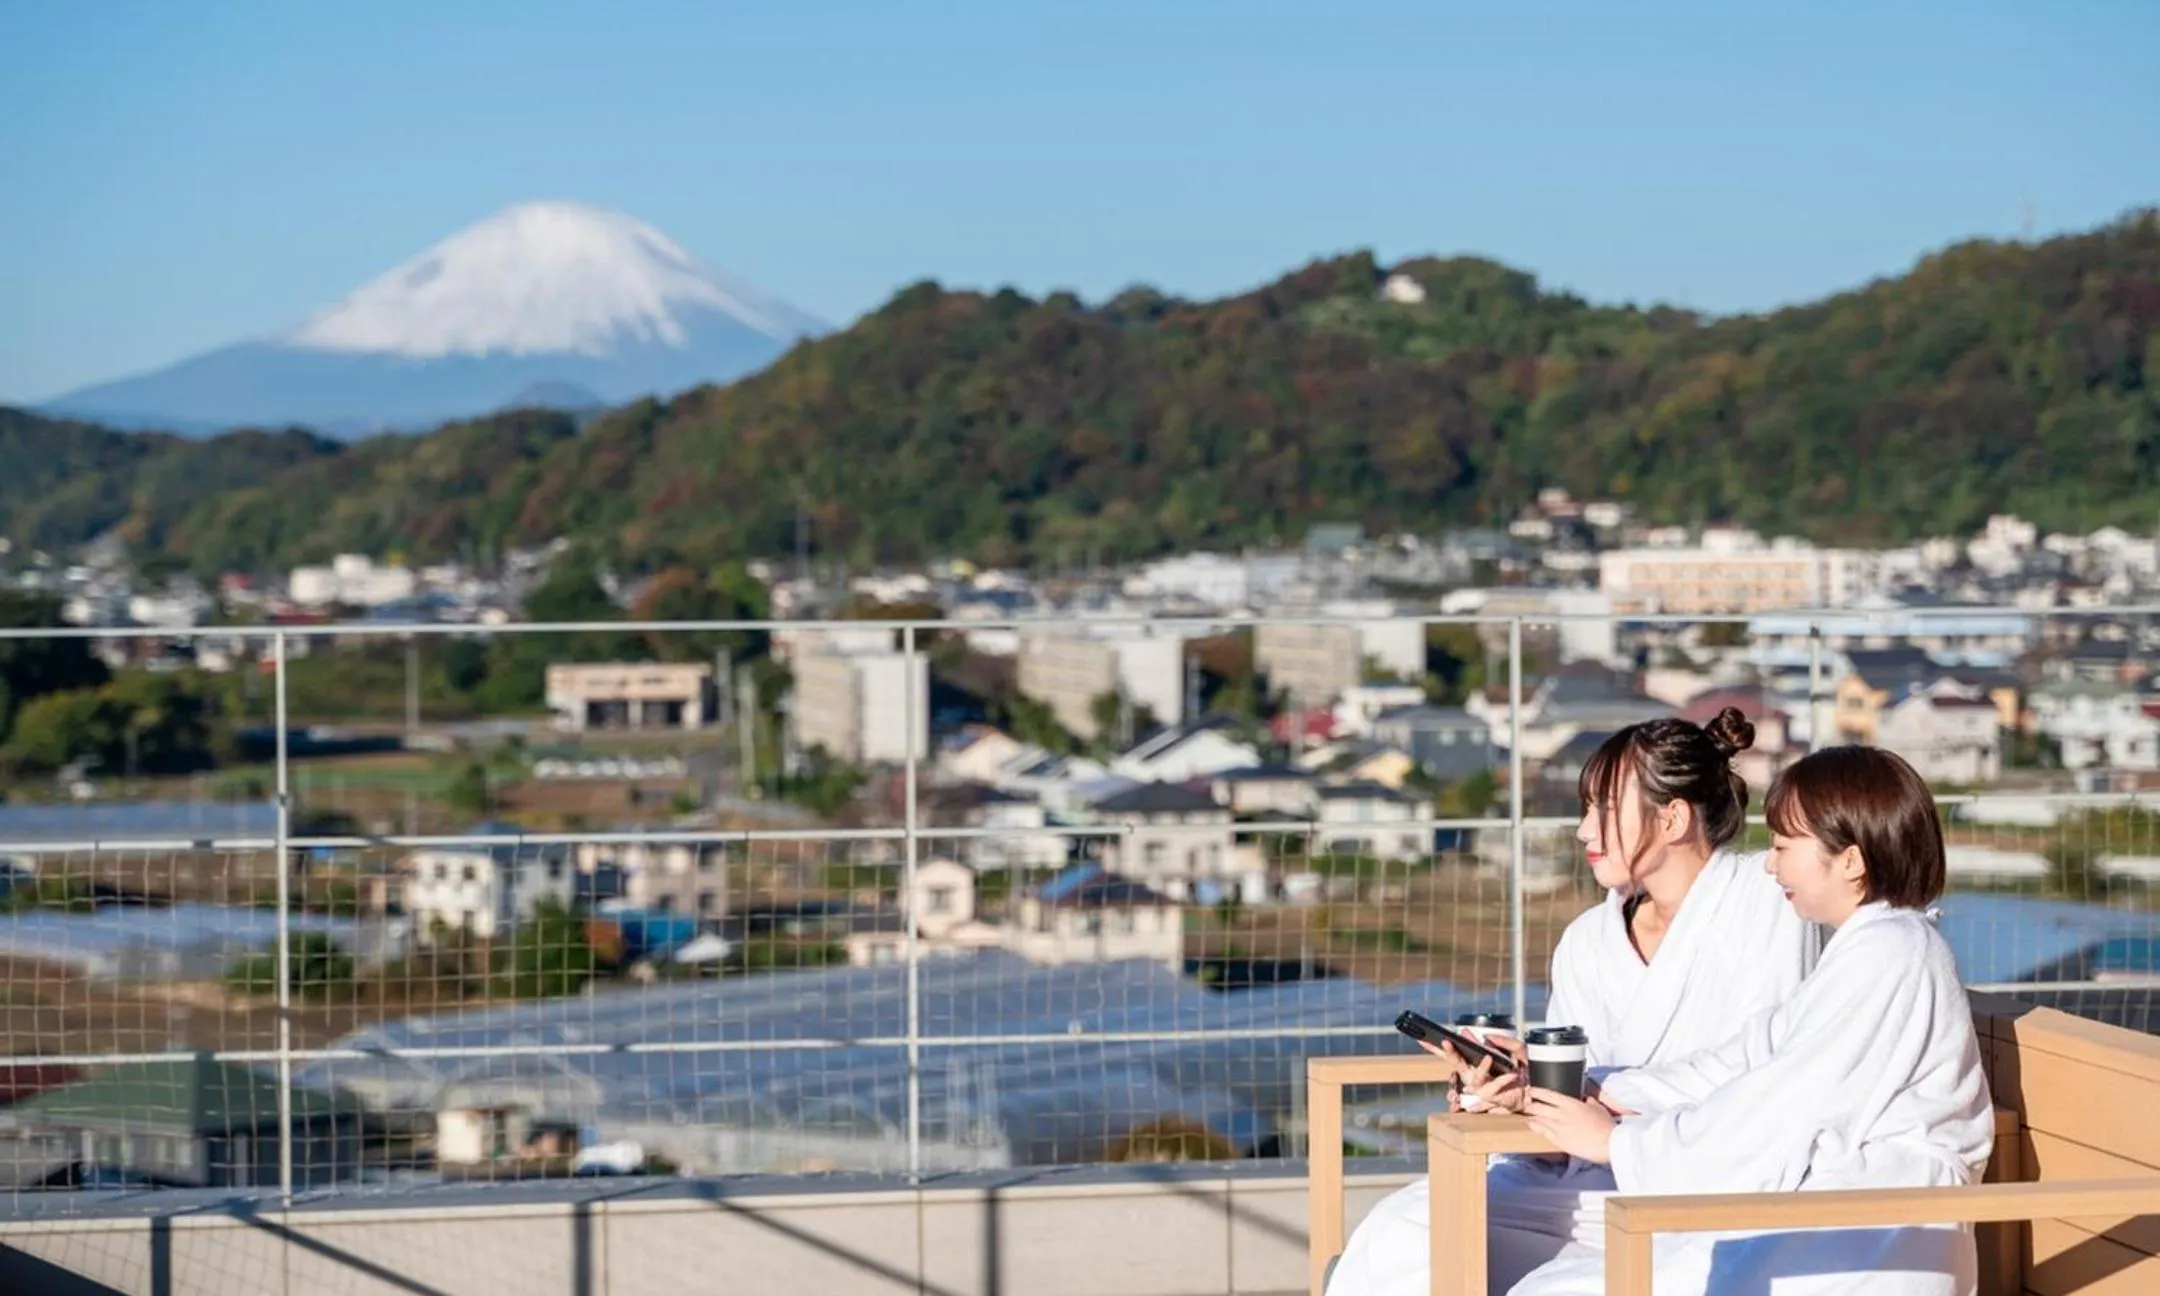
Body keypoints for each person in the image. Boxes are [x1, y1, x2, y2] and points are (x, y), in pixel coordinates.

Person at [1326, 707, 1821, 1296]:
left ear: (1672, 818)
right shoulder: (1589, 939)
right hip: (1574, 1184)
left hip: (1693, 1181)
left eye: (1604, 811)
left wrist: (1594, 1096)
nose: (1585, 830)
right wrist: (1513, 1095)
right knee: (1401, 1230)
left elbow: (1761, 1076)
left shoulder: (1768, 906)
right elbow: (1566, 1095)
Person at [1512, 746, 1995, 1296]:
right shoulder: (1869, 949)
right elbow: (1748, 1057)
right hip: (1844, 1213)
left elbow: (1782, 1105)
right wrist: (1605, 1091)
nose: (1769, 864)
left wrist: (1620, 1145)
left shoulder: (1892, 954)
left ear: (1851, 861)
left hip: (1872, 1229)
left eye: (1785, 846)